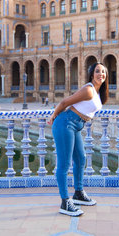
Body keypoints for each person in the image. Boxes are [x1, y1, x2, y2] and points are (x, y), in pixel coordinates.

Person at [47, 62, 109, 217]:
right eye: (97, 71)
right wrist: (53, 116)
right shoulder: (88, 90)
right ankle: (65, 202)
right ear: (91, 74)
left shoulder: (98, 91)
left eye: (103, 72)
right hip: (65, 124)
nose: (101, 74)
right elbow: (64, 102)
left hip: (75, 126)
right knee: (64, 164)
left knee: (81, 159)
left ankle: (78, 193)